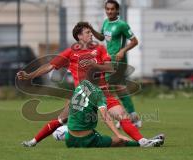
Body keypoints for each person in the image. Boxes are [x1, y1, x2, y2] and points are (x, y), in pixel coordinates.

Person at [17, 22, 164, 147]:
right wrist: (29, 75)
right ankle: (33, 141)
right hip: (83, 96)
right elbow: (49, 66)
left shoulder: (99, 49)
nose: (91, 34)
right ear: (79, 36)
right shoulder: (70, 53)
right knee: (61, 119)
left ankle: (143, 141)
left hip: (103, 92)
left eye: (90, 32)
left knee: (123, 116)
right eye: (87, 32)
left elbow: (110, 68)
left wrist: (95, 65)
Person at [90, 0, 141, 127]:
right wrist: (91, 29)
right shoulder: (106, 22)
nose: (109, 11)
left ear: (117, 10)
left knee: (104, 87)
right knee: (120, 90)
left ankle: (120, 117)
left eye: (112, 9)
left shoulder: (122, 25)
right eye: (107, 9)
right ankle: (131, 117)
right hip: (109, 60)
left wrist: (123, 50)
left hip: (118, 61)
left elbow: (135, 41)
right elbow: (102, 37)